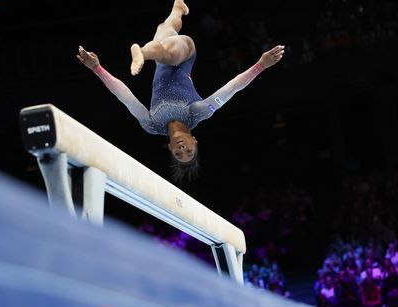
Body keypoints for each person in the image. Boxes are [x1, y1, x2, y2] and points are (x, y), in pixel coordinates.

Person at [76, 0, 285, 181]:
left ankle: (178, 8)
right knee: (166, 51)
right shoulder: (198, 113)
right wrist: (260, 65)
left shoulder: (152, 125)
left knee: (166, 27)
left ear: (170, 149)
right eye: (188, 150)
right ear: (194, 141)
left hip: (161, 56)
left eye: (178, 153)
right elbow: (232, 88)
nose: (181, 148)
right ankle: (141, 52)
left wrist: (97, 69)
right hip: (184, 54)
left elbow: (125, 98)